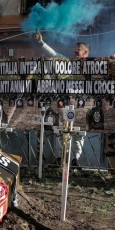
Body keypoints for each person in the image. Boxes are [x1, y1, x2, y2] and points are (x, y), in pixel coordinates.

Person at [34, 32, 91, 167]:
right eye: (76, 49)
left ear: (86, 53)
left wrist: (113, 59)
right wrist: (42, 43)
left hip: (83, 105)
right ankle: (61, 157)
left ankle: (75, 159)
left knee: (79, 133)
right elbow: (54, 54)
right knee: (62, 130)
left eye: (79, 49)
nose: (75, 51)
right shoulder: (67, 62)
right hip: (66, 103)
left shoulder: (93, 66)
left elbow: (108, 71)